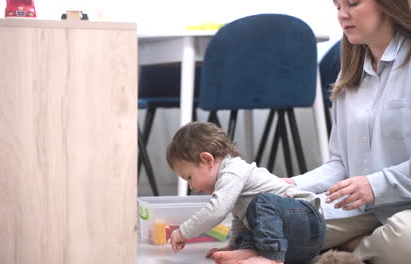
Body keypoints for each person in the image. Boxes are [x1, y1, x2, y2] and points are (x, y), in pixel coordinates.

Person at [282, 0, 411, 263]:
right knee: (278, 225)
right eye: (337, 6)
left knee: (405, 238)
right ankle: (359, 249)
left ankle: (347, 251)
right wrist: (293, 185)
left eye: (352, 3)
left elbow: (371, 184)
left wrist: (376, 184)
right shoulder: (350, 73)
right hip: (363, 210)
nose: (342, 15)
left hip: (405, 210)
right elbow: (341, 163)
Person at [166, 122, 326, 264]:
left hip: (307, 221)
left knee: (262, 202)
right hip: (293, 245)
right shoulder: (232, 187)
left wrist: (184, 231)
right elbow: (239, 220)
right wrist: (233, 245)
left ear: (207, 160)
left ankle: (272, 258)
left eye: (189, 177)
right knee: (249, 220)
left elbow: (216, 211)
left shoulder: (232, 172)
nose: (191, 186)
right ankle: (249, 251)